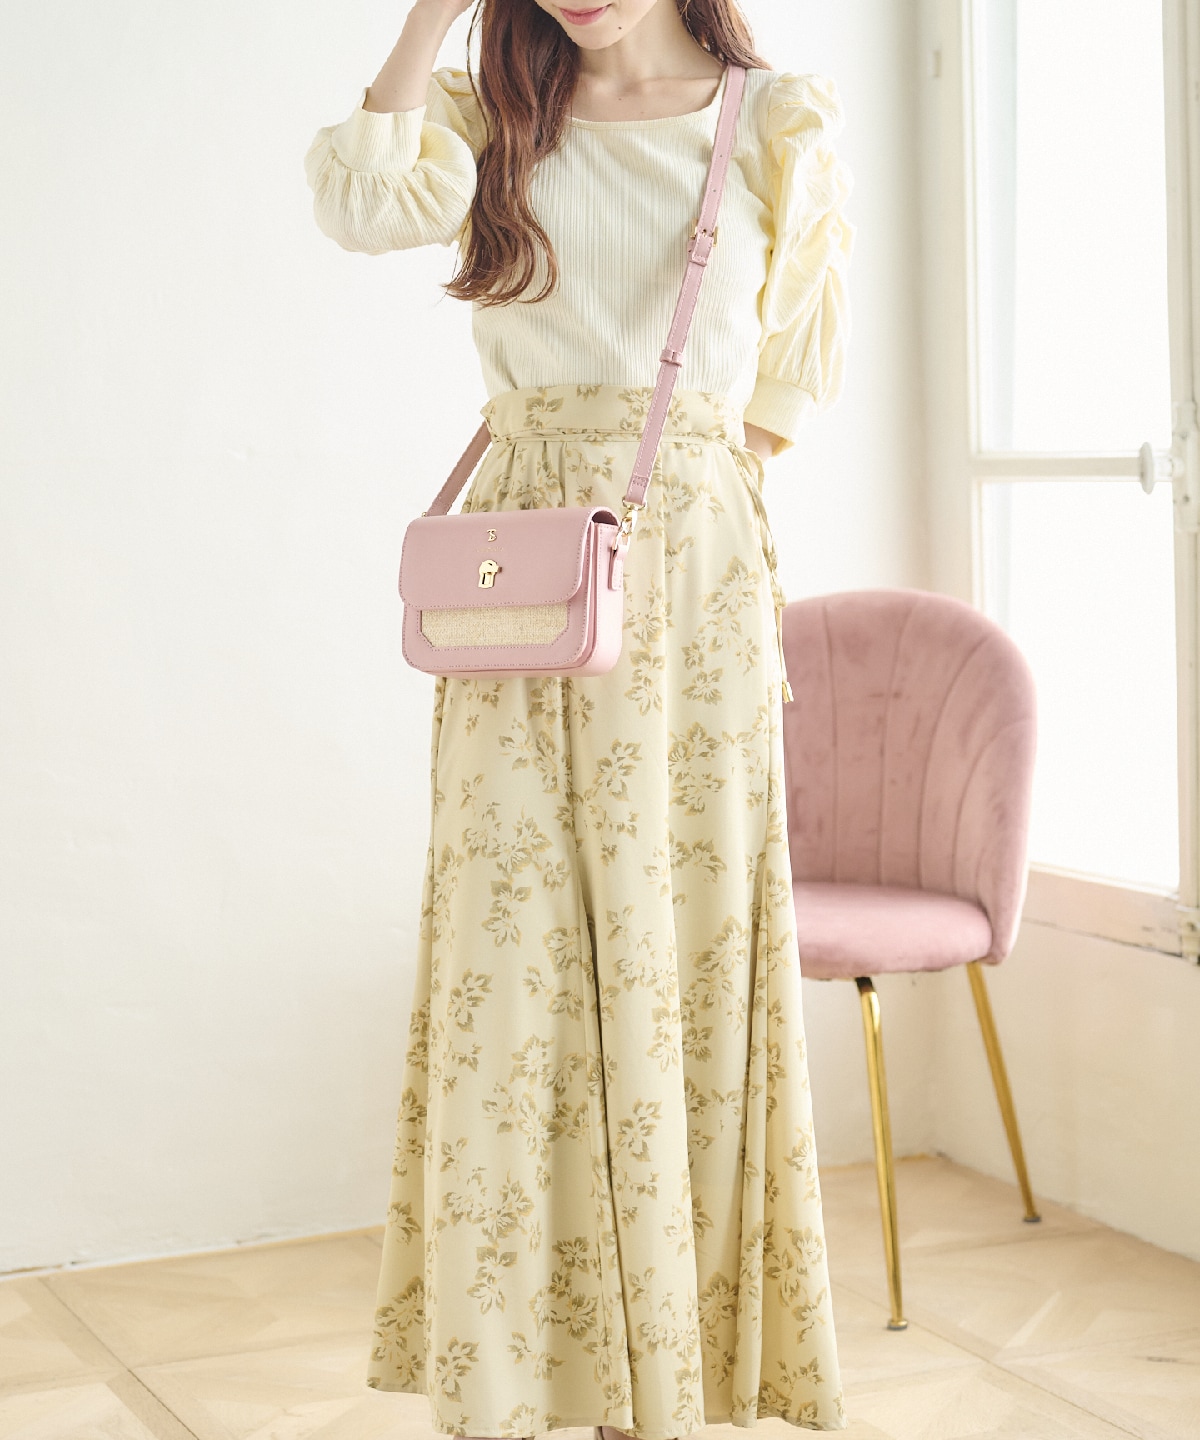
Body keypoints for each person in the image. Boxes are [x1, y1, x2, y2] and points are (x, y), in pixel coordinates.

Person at [304, 1, 854, 1435]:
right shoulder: (493, 118)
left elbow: (787, 380)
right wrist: (429, 20)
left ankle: (662, 1370)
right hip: (519, 576)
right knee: (516, 960)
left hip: (695, 581)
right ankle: (532, 1363)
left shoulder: (775, 121)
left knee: (687, 948)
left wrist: (660, 489)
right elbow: (361, 203)